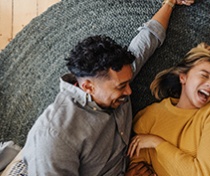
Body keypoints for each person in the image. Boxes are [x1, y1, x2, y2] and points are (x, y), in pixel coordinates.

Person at [21, 0, 195, 175]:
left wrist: (170, 3)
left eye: (128, 82)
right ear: (88, 86)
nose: (129, 91)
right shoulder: (55, 137)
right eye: (121, 87)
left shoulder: (112, 78)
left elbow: (148, 39)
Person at [127, 43, 210, 176]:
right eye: (204, 75)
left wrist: (157, 143)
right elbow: (137, 165)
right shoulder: (151, 115)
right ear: (183, 77)